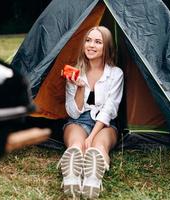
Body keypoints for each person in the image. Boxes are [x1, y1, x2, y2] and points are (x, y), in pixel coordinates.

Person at [58, 26, 124, 199]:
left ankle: (92, 179)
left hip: (104, 124)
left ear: (106, 47)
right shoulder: (74, 72)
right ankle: (71, 176)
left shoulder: (116, 74)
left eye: (98, 41)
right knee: (76, 146)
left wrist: (92, 136)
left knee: (98, 147)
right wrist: (79, 88)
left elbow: (110, 109)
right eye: (88, 40)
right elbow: (72, 112)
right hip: (78, 120)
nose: (91, 45)